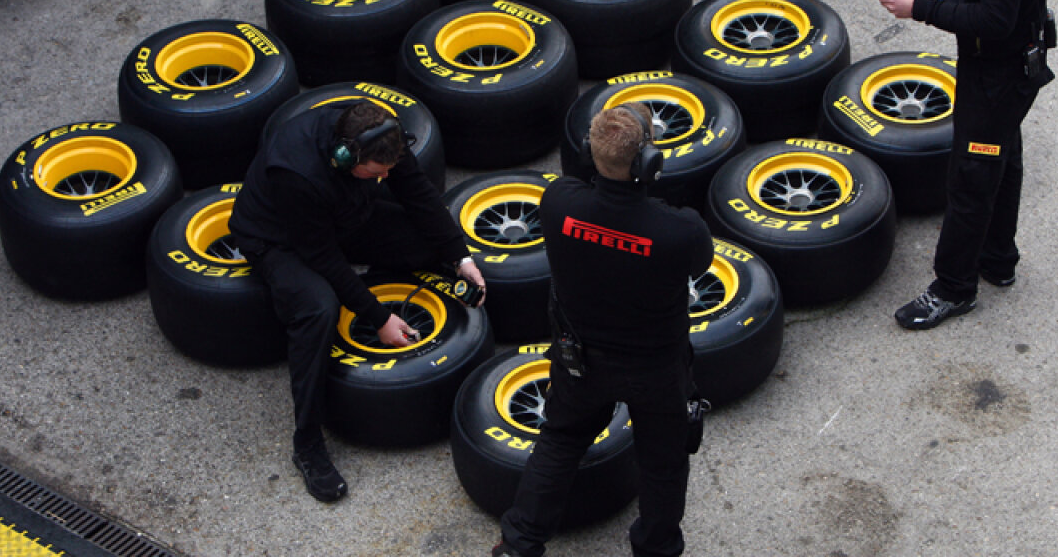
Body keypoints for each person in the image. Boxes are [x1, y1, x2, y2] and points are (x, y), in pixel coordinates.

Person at [229, 100, 486, 501]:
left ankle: (388, 282)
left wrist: (460, 256)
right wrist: (376, 315)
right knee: (319, 308)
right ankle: (307, 445)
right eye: (378, 171)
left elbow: (416, 191)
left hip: (340, 211)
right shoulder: (295, 173)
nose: (386, 176)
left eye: (388, 168)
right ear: (346, 156)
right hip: (278, 239)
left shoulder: (381, 137)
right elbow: (322, 257)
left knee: (426, 243)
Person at [492, 104, 714, 557]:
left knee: (560, 440)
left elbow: (578, 188)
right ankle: (656, 548)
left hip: (580, 361)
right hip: (655, 368)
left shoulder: (557, 203)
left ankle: (519, 545)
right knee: (663, 463)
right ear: (650, 161)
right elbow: (702, 265)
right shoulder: (680, 230)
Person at [878, 0, 1052, 330]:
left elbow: (995, 21)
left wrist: (921, 6)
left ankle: (954, 287)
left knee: (971, 179)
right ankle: (998, 259)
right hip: (1017, 65)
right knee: (1004, 156)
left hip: (995, 74)